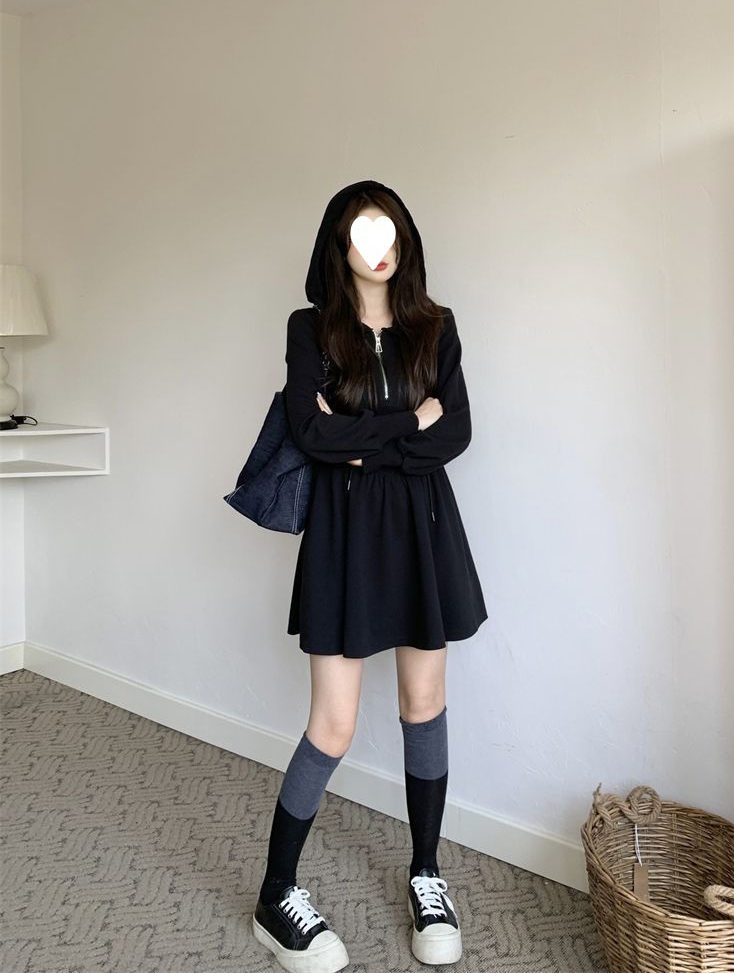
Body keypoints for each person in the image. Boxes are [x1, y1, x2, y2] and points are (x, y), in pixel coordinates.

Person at [252, 180, 488, 972]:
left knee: (425, 705)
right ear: (340, 244)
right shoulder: (310, 329)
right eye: (362, 233)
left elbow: (457, 430)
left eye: (388, 231)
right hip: (343, 536)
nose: (378, 247)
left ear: (405, 239)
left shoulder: (435, 327)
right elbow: (310, 433)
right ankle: (275, 892)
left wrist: (361, 437)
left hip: (424, 531)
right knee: (334, 724)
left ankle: (427, 873)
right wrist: (408, 421)